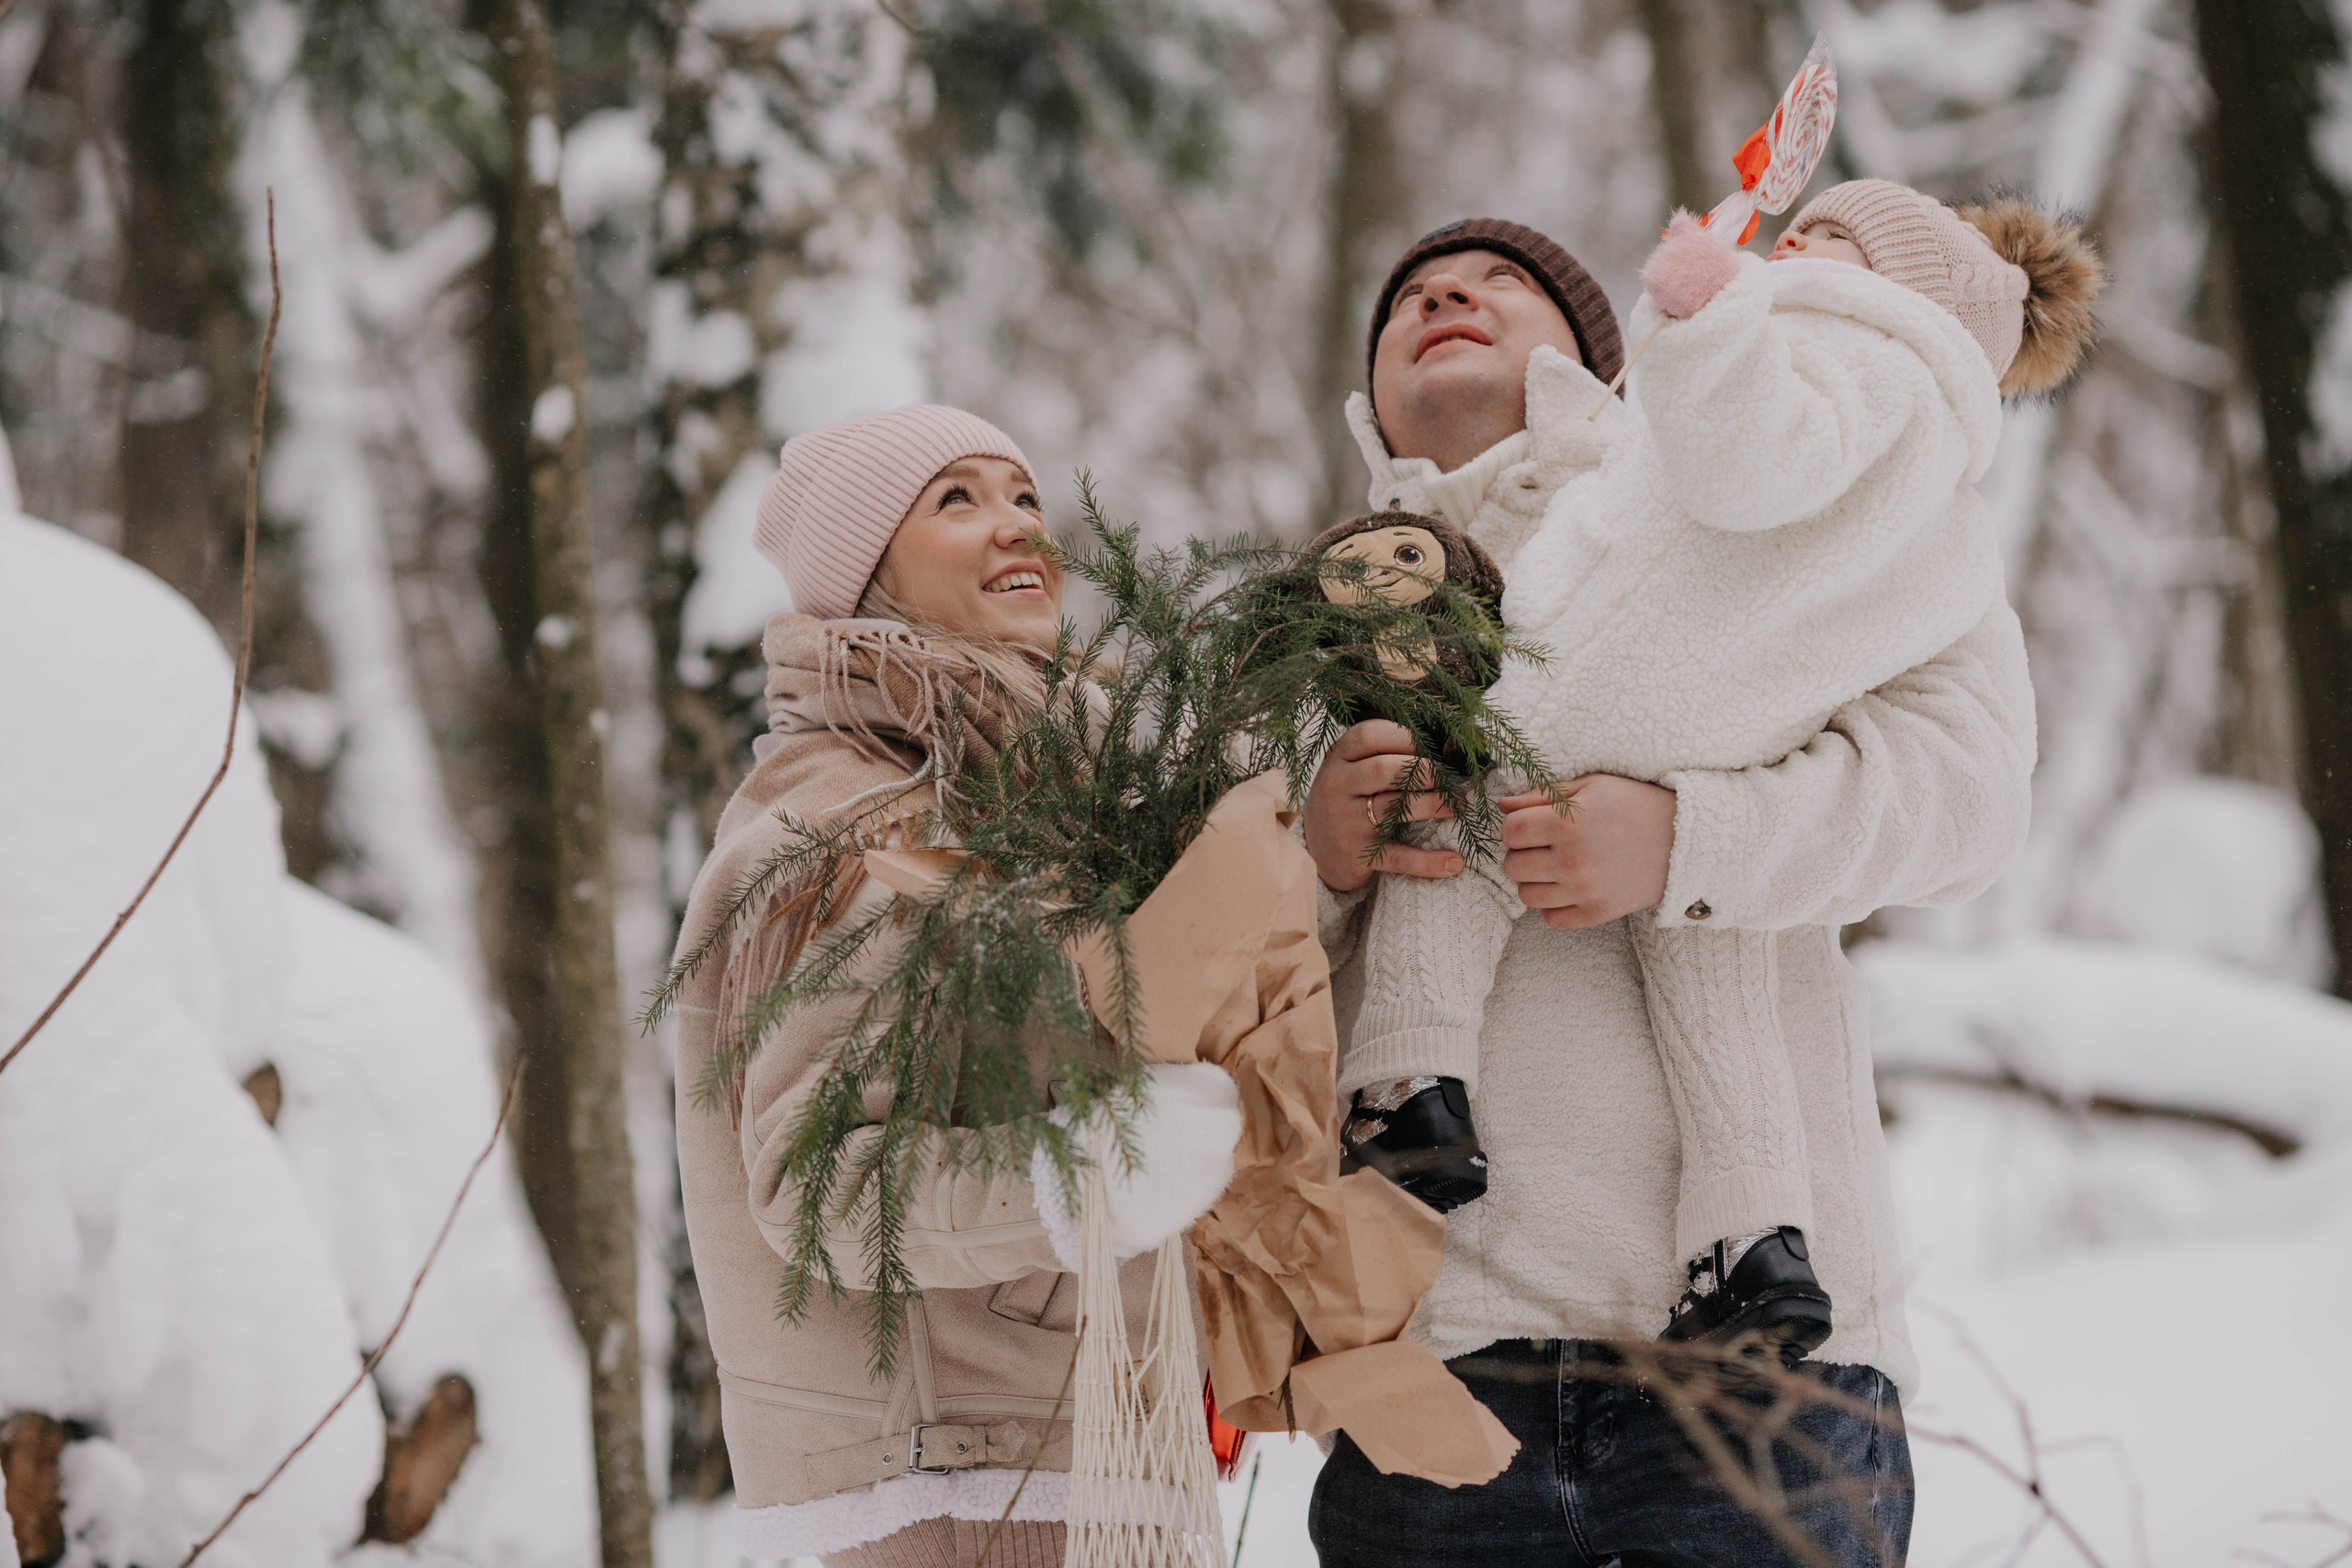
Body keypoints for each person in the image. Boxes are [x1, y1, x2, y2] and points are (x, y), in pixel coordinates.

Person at [1298, 218, 2041, 1565]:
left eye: (1499, 281)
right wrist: (1317, 853)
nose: (1446, 294)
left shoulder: (1786, 516)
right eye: (1410, 293)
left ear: (1605, 359)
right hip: (1431, 1370)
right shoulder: (1300, 623)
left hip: (1768, 1368)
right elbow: (1197, 961)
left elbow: (1970, 799)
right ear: (1370, 399)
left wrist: (1690, 837)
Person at [670, 405, 1240, 1568]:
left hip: (1097, 1446)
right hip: (950, 1480)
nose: (1014, 526)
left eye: (1023, 496)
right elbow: (816, 1180)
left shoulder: (1071, 802)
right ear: (866, 572)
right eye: (956, 500)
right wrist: (1085, 1173)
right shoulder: (839, 822)